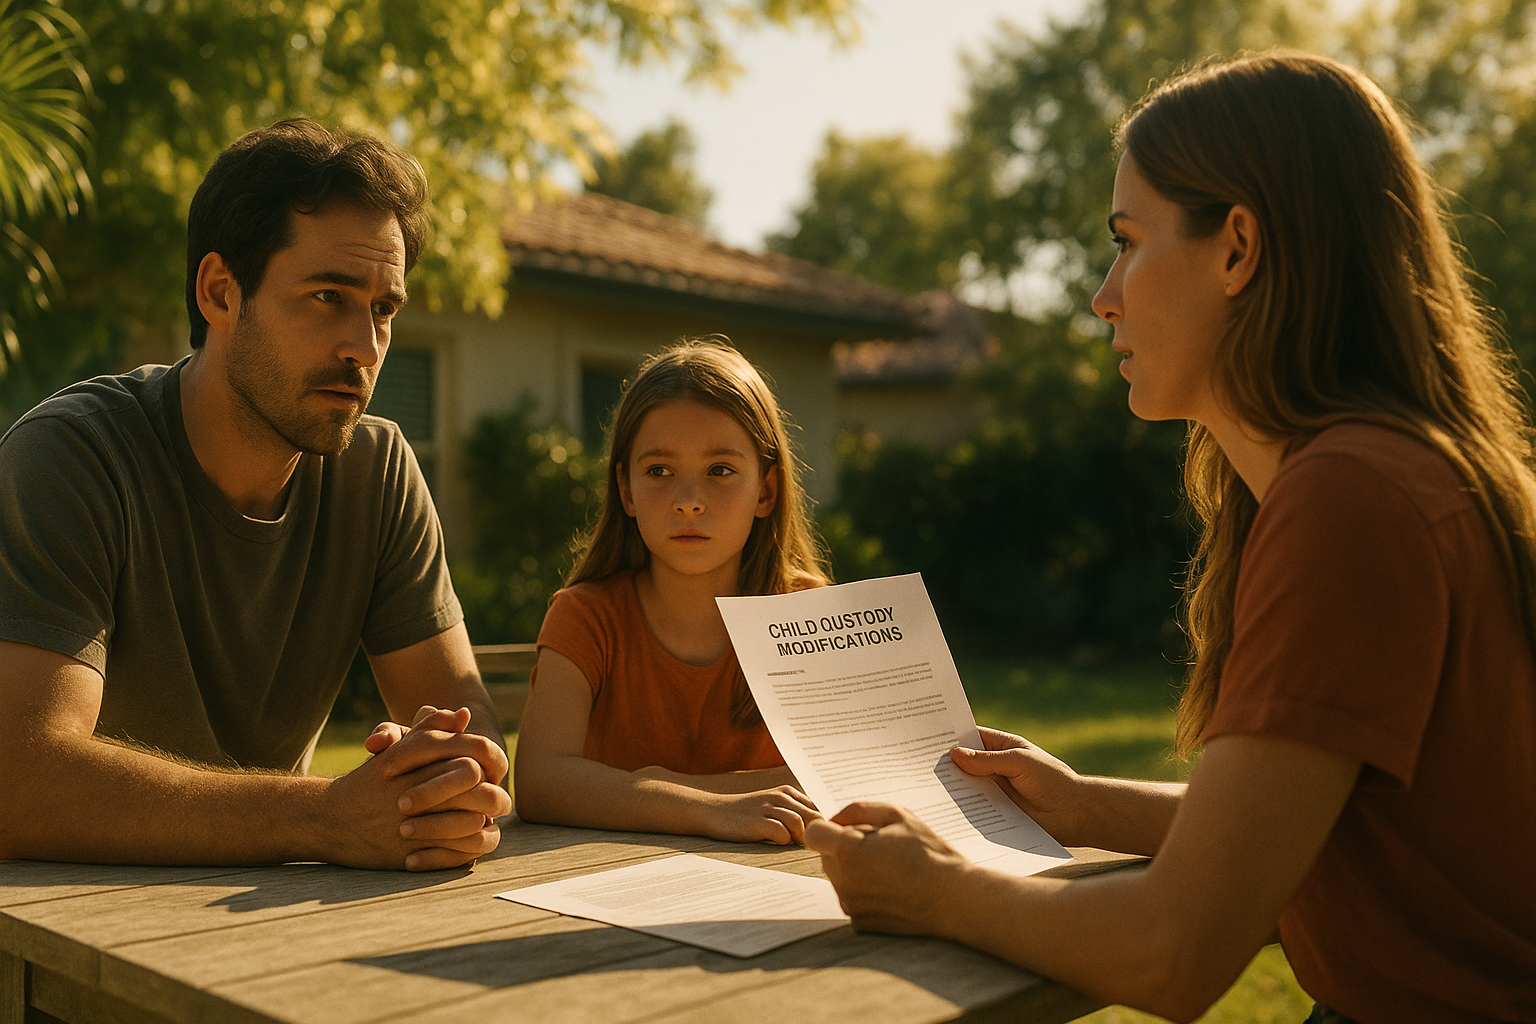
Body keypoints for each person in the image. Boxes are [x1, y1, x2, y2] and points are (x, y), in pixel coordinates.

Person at [804, 51, 1536, 1023]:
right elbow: (1303, 833)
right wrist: (1080, 805)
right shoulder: (1396, 473)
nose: (1104, 295)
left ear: (1239, 247)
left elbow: (1173, 954)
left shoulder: (1353, 500)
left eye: (1127, 241)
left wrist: (933, 886)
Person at [0, 119, 511, 871]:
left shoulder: (377, 472)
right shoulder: (72, 458)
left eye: (383, 310)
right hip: (59, 940)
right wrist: (322, 817)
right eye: (327, 296)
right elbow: (19, 781)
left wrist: (441, 782)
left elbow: (477, 739)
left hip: (265, 923)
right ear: (219, 293)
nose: (364, 348)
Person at [514, 340, 828, 845]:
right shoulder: (586, 616)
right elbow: (538, 782)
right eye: (659, 471)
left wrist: (646, 794)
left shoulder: (815, 614)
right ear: (627, 489)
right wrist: (709, 808)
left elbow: (858, 776)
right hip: (606, 883)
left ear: (766, 491)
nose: (688, 502)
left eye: (720, 471)